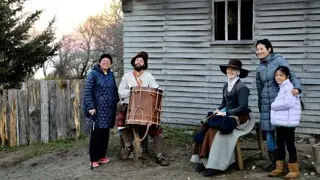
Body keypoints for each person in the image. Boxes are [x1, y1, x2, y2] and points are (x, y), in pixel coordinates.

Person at [191, 59, 254, 177]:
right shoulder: (226, 85)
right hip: (227, 113)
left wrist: (226, 113)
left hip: (242, 117)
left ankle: (216, 165)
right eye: (229, 69)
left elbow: (243, 107)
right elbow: (223, 103)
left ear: (238, 72)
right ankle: (203, 160)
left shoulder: (242, 87)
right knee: (206, 124)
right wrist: (218, 110)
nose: (230, 71)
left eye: (233, 69)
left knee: (218, 131)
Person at [255, 39, 302, 171]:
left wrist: (297, 88)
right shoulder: (259, 67)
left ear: (269, 49)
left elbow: (291, 74)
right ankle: (274, 162)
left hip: (279, 101)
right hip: (266, 103)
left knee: (283, 133)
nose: (258, 51)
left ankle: (289, 162)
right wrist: (260, 104)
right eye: (257, 49)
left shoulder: (279, 60)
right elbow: (259, 88)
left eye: (261, 49)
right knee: (269, 132)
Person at [117, 51, 169, 166]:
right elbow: (120, 92)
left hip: (145, 109)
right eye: (137, 60)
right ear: (133, 62)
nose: (139, 62)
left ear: (144, 64)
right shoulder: (127, 76)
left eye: (141, 60)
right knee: (120, 121)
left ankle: (159, 155)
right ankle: (128, 146)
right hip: (129, 106)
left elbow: (156, 89)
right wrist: (133, 91)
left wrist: (160, 90)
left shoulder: (149, 76)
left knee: (156, 128)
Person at [83, 54, 119, 168]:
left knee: (105, 134)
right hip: (97, 111)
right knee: (96, 135)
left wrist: (117, 100)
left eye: (108, 61)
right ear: (99, 62)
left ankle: (102, 156)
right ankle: (93, 159)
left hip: (108, 111)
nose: (105, 63)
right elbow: (88, 91)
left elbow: (114, 90)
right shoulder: (93, 74)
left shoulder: (111, 75)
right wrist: (91, 107)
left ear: (111, 64)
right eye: (103, 61)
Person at [268, 66, 301, 179]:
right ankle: (279, 167)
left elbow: (288, 103)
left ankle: (294, 169)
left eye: (281, 75)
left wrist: (273, 106)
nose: (278, 77)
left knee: (289, 144)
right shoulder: (282, 87)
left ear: (286, 76)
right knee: (280, 144)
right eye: (276, 75)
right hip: (282, 122)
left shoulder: (288, 87)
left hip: (288, 122)